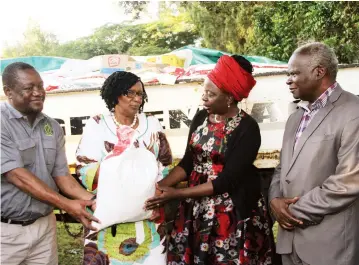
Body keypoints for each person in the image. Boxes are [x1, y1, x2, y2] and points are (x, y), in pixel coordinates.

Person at [145, 55, 275, 265]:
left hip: (230, 213)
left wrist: (178, 193)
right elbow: (189, 162)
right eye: (204, 91)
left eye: (211, 94)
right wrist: (159, 187)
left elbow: (227, 181)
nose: (203, 98)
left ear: (230, 97)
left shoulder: (248, 128)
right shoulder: (200, 118)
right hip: (196, 209)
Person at [268, 42, 359, 265]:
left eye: (294, 73)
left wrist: (291, 212)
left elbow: (348, 182)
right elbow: (282, 168)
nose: (288, 80)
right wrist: (274, 200)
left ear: (319, 72)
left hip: (329, 247)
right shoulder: (295, 117)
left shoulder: (353, 112)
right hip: (290, 245)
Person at [1, 62, 99, 265]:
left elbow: (63, 177)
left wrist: (95, 201)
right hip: (5, 233)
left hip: (44, 227)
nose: (38, 93)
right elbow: (17, 176)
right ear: (8, 91)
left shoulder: (52, 127)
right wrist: (67, 205)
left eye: (41, 86)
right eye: (29, 88)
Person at [76, 71, 173, 265]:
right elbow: (85, 169)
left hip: (148, 219)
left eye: (140, 94)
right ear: (115, 94)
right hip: (108, 221)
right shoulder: (97, 125)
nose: (137, 99)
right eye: (130, 93)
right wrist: (123, 164)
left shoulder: (152, 124)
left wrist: (157, 188)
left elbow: (164, 164)